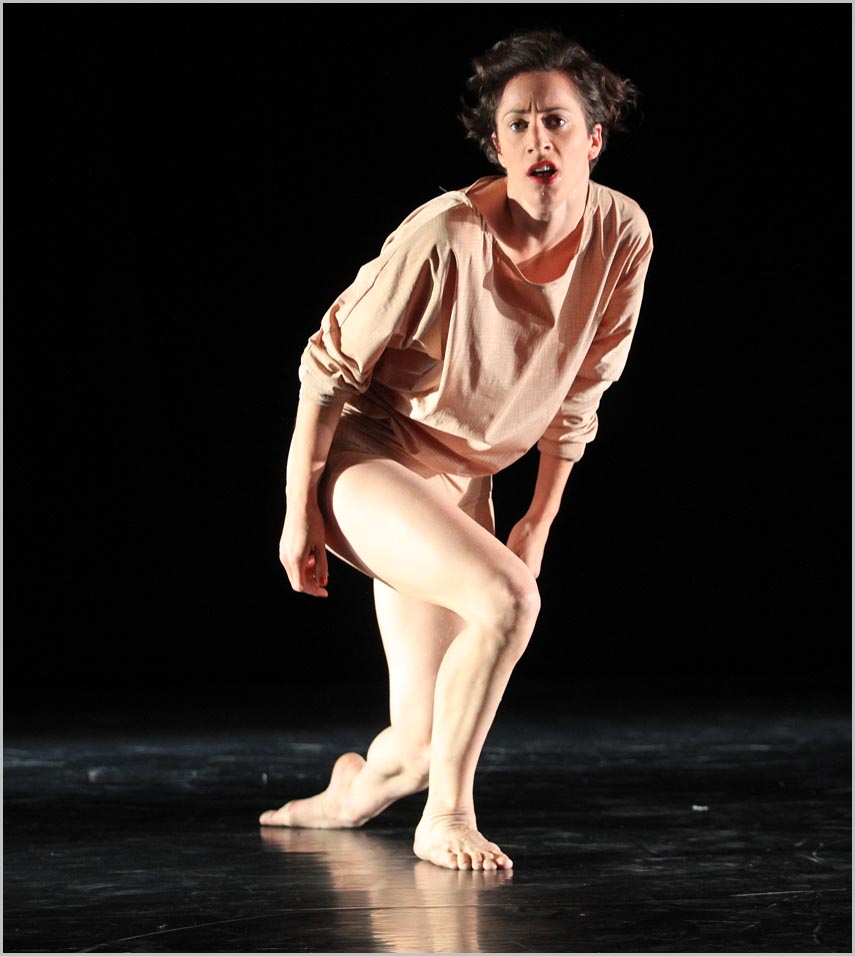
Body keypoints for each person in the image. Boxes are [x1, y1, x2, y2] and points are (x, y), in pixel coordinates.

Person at [259, 27, 654, 871]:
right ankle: (446, 818)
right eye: (516, 124)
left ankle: (346, 795)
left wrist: (537, 519)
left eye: (555, 120)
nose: (536, 140)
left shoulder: (622, 232)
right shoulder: (446, 235)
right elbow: (325, 370)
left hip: (461, 482)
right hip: (368, 461)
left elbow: (582, 393)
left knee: (419, 742)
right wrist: (298, 511)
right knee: (508, 601)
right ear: (496, 146)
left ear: (592, 139)